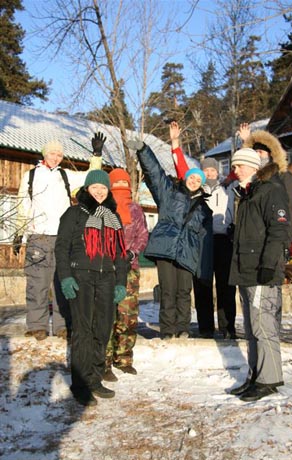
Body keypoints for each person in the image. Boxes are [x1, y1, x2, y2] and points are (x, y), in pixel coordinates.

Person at [12, 133, 106, 341]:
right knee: (37, 284)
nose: (55, 157)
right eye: (52, 153)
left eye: (59, 154)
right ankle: (37, 325)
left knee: (64, 282)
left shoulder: (65, 176)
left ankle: (64, 326)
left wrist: (96, 154)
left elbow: (90, 176)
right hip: (39, 236)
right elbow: (22, 205)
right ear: (45, 154)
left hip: (64, 238)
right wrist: (19, 233)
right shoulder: (30, 176)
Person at [55, 169, 127, 407]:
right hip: (81, 276)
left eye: (103, 188)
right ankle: (81, 384)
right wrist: (65, 277)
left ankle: (95, 379)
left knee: (102, 330)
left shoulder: (112, 217)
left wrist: (120, 282)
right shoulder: (74, 213)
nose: (99, 191)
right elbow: (61, 247)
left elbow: (120, 254)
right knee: (83, 331)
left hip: (106, 278)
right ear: (87, 188)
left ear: (108, 191)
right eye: (95, 187)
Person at [127, 139, 213, 340]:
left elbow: (205, 241)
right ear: (186, 179)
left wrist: (204, 269)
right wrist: (143, 150)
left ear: (201, 184)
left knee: (184, 292)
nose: (194, 181)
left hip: (188, 253)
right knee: (167, 291)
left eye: (198, 180)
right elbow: (155, 175)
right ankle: (167, 329)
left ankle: (183, 328)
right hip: (166, 248)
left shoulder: (204, 209)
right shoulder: (170, 194)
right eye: (191, 178)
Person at [228, 147, 290, 402]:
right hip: (246, 270)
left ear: (253, 167)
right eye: (233, 166)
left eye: (238, 166)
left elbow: (278, 232)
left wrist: (268, 265)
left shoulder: (270, 190)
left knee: (264, 326)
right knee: (252, 327)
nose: (234, 171)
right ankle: (256, 375)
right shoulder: (248, 193)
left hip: (261, 271)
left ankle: (269, 379)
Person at [170, 121, 237, 339]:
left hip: (223, 240)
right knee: (202, 285)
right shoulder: (196, 187)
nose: (209, 173)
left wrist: (244, 141)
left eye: (212, 169)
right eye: (206, 169)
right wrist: (175, 143)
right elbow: (182, 169)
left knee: (227, 286)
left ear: (218, 172)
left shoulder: (227, 187)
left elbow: (243, 170)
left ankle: (228, 328)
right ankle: (206, 328)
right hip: (201, 243)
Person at [104, 168, 148, 382]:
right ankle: (103, 362)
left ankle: (124, 358)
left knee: (127, 316)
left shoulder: (136, 209)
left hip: (129, 269)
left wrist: (132, 252)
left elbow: (143, 235)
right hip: (106, 270)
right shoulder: (104, 209)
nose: (121, 187)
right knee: (105, 316)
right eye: (116, 183)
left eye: (124, 183)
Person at [237, 123, 292, 239]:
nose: (257, 156)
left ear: (270, 155)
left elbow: (290, 210)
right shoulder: (252, 179)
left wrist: (285, 242)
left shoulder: (284, 176)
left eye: (261, 152)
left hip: (275, 238)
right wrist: (246, 142)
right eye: (255, 152)